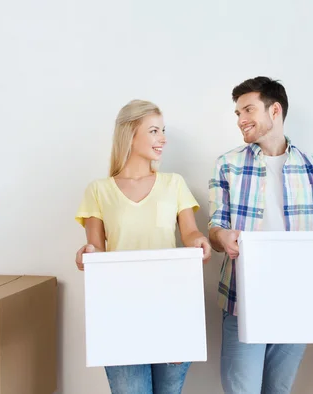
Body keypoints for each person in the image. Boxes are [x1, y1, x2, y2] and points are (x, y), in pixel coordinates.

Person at [208, 76, 313, 394]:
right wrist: (222, 237)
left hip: (296, 299)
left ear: (275, 111)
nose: (241, 120)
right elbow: (216, 226)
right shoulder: (227, 165)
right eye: (237, 114)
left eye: (247, 110)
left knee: (279, 389)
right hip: (242, 298)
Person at [74, 99, 211, 394]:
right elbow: (94, 249)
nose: (163, 138)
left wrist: (199, 241)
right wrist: (86, 255)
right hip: (120, 312)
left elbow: (189, 232)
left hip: (172, 308)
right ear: (129, 134)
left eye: (163, 131)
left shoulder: (174, 183)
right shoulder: (98, 190)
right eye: (154, 131)